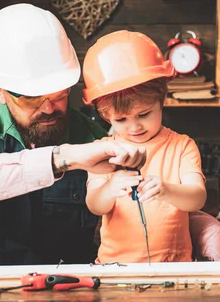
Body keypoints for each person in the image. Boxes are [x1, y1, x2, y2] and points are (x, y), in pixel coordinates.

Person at [0, 3, 220, 266]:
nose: (49, 108)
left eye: (59, 93)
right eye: (32, 97)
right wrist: (67, 158)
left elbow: (163, 215)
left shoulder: (96, 135)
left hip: (71, 290)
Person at [83, 30, 207, 263]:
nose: (134, 127)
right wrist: (109, 190)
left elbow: (197, 198)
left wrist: (167, 190)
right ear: (105, 116)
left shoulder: (181, 146)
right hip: (115, 267)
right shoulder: (103, 151)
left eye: (144, 114)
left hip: (175, 266)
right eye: (121, 120)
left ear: (161, 100)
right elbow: (94, 205)